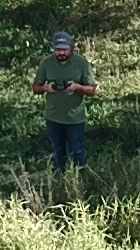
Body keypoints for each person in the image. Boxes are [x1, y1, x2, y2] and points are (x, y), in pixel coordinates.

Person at [34, 30, 97, 171]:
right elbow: (35, 88)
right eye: (58, 50)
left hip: (75, 118)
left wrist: (77, 87)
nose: (61, 53)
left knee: (78, 150)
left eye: (64, 49)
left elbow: (92, 90)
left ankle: (80, 175)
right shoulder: (46, 63)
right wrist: (46, 88)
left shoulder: (82, 63)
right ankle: (60, 175)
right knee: (57, 150)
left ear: (71, 48)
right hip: (53, 117)